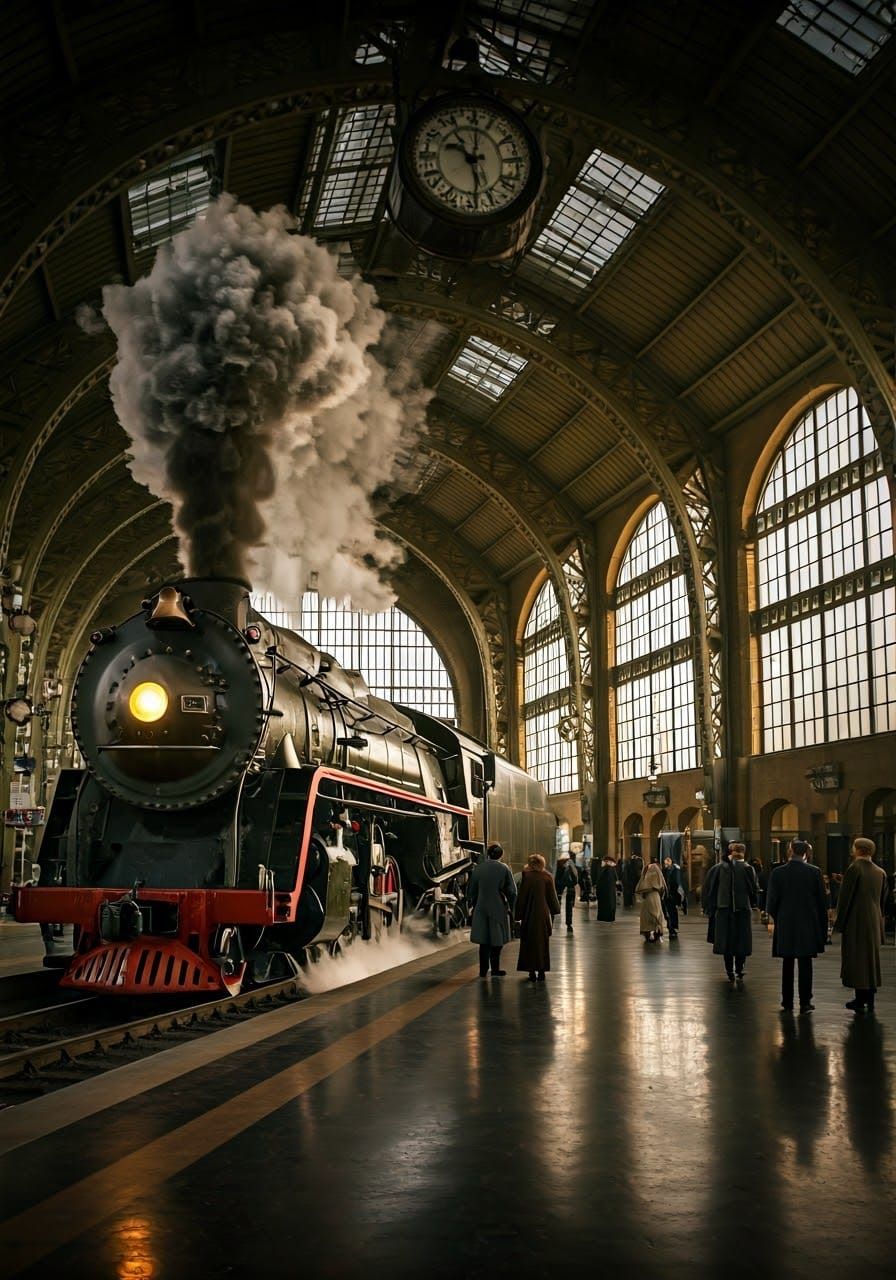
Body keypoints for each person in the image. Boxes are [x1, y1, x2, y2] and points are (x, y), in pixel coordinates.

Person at [765, 838, 828, 1013]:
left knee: (787, 962)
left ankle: (787, 1001)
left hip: (785, 922)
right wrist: (822, 927)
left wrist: (778, 917)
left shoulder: (778, 873)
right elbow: (822, 902)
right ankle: (806, 1001)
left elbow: (771, 901)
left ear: (790, 851)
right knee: (805, 963)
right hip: (808, 921)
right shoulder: (814, 872)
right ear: (806, 853)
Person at [834, 836, 888, 1013]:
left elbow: (845, 899)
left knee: (858, 959)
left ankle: (860, 998)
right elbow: (882, 899)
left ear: (858, 850)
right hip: (874, 918)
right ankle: (870, 994)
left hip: (857, 919)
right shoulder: (880, 871)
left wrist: (839, 923)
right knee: (871, 959)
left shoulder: (854, 868)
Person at [706, 842, 757, 981]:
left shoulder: (718, 868)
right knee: (742, 941)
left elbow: (710, 889)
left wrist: (710, 908)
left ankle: (730, 971)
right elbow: (753, 889)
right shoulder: (748, 868)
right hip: (742, 909)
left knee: (726, 942)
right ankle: (739, 969)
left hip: (724, 909)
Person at [467, 842, 517, 978]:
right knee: (497, 940)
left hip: (481, 907)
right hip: (498, 906)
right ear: (501, 855)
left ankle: (483, 971)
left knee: (484, 941)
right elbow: (512, 891)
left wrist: (471, 903)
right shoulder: (504, 868)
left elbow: (471, 891)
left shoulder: (478, 869)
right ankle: (495, 969)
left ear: (488, 854)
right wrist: (512, 907)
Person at [515, 853, 561, 981]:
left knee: (529, 943)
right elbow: (552, 897)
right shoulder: (547, 877)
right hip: (543, 915)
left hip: (529, 915)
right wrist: (555, 911)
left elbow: (522, 897)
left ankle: (531, 971)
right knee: (542, 943)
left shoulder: (527, 876)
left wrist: (518, 915)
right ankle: (542, 970)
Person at [636, 860, 666, 943]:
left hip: (647, 896)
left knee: (646, 915)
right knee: (656, 913)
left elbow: (640, 885)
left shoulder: (646, 873)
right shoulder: (656, 872)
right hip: (655, 895)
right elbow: (662, 886)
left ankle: (648, 932)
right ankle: (657, 931)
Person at [554, 852, 578, 932]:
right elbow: (575, 877)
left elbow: (556, 877)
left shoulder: (559, 863)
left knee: (557, 903)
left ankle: (554, 918)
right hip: (570, 887)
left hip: (560, 887)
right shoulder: (571, 863)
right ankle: (569, 923)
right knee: (569, 906)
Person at [661, 856, 683, 939]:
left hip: (672, 895)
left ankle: (673, 928)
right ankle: (671, 926)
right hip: (666, 895)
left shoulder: (675, 870)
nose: (666, 862)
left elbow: (677, 882)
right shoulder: (664, 871)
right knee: (667, 912)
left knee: (672, 912)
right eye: (665, 861)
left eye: (668, 860)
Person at [595, 856, 618, 922]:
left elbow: (602, 881)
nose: (602, 862)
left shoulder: (607, 869)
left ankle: (605, 917)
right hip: (609, 891)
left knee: (606, 905)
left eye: (603, 861)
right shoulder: (610, 869)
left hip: (606, 892)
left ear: (607, 862)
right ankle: (607, 917)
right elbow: (616, 879)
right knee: (609, 904)